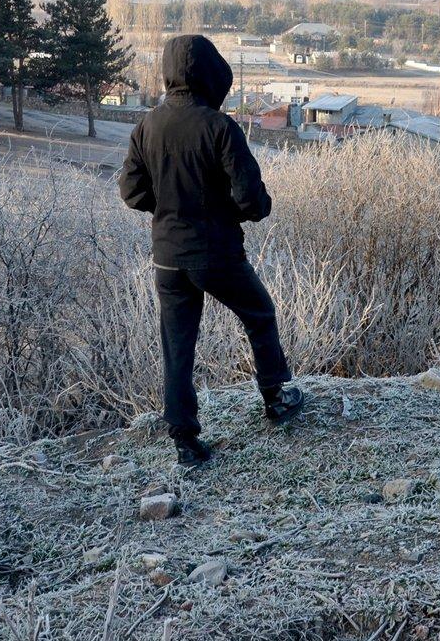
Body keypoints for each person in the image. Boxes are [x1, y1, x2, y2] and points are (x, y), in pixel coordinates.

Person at [119, 34, 305, 466]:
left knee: (177, 345)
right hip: (216, 253)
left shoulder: (147, 125)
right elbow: (249, 198)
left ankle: (184, 439)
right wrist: (239, 212)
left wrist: (168, 208)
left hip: (166, 256)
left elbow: (131, 191)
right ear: (210, 73)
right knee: (259, 312)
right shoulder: (219, 128)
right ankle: (277, 396)